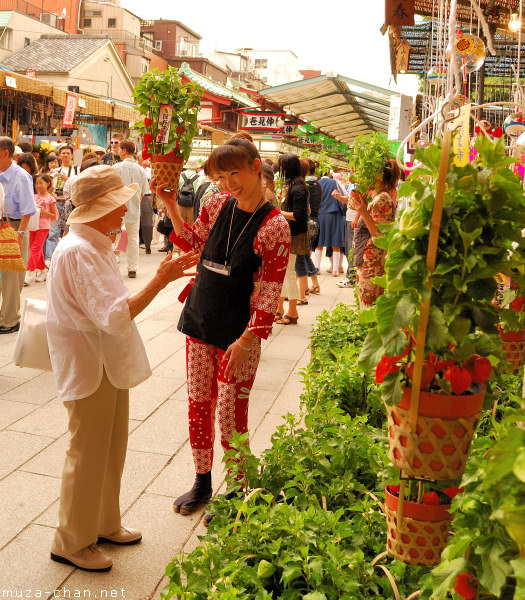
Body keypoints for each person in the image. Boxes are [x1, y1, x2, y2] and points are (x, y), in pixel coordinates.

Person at [47, 164, 198, 572]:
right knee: (87, 452)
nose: (124, 212)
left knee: (109, 449)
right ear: (97, 209)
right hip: (89, 363)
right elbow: (113, 316)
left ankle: (102, 523)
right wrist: (160, 280)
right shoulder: (80, 250)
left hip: (103, 362)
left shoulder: (93, 244)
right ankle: (71, 540)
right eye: (117, 206)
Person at [152, 137, 290, 518]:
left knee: (231, 413)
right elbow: (192, 242)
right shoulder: (215, 203)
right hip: (201, 318)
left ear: (256, 166)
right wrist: (168, 205)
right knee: (199, 404)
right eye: (222, 175)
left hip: (239, 333)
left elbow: (270, 293)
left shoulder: (273, 226)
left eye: (235, 173)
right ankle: (202, 479)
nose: (229, 183)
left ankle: (239, 484)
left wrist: (248, 339)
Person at [353, 158, 401, 309]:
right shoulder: (381, 196)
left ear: (379, 176)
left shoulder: (382, 198)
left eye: (370, 173)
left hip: (372, 260)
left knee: (369, 302)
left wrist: (363, 212)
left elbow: (380, 236)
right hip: (370, 258)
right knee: (367, 300)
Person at [0, 137, 36, 333]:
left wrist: (21, 233)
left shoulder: (20, 176)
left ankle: (11, 319)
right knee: (2, 275)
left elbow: (27, 209)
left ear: (6, 153)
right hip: (2, 225)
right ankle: (3, 314)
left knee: (12, 275)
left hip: (14, 226)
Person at [274, 153, 308, 324]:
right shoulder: (295, 186)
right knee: (284, 272)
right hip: (289, 234)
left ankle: (293, 311)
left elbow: (300, 215)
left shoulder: (297, 189)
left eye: (281, 166)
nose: (279, 170)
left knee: (287, 273)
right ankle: (280, 309)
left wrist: (277, 212)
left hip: (294, 235)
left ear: (286, 168)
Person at [113, 140, 149, 277]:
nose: (118, 151)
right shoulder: (141, 170)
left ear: (124, 151)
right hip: (134, 208)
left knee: (114, 236)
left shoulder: (117, 168)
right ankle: (132, 268)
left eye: (119, 149)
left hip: (117, 207)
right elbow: (144, 192)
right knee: (133, 238)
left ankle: (114, 263)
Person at [45, 145, 79, 259]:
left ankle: (68, 257)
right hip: (56, 202)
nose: (65, 155)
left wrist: (67, 179)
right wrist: (50, 194)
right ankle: (50, 258)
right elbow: (48, 186)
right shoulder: (54, 171)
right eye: (63, 153)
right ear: (59, 156)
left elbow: (79, 185)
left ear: (72, 156)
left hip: (71, 203)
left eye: (68, 153)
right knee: (53, 231)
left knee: (70, 231)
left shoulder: (76, 170)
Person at [25, 174, 56, 285]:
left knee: (35, 249)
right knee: (36, 250)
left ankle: (29, 273)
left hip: (43, 227)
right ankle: (43, 271)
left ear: (47, 184)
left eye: (41, 183)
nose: (38, 185)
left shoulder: (51, 199)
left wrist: (44, 212)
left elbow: (54, 216)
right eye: (37, 183)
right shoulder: (34, 197)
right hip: (33, 225)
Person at [314, 173, 345, 278]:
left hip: (320, 214)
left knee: (319, 242)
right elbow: (345, 194)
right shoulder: (334, 182)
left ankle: (317, 268)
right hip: (334, 214)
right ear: (328, 174)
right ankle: (335, 270)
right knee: (335, 242)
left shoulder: (316, 184)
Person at [177, 157, 200, 226]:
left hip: (180, 204)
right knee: (191, 228)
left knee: (179, 227)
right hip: (192, 206)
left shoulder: (180, 175)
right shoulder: (198, 177)